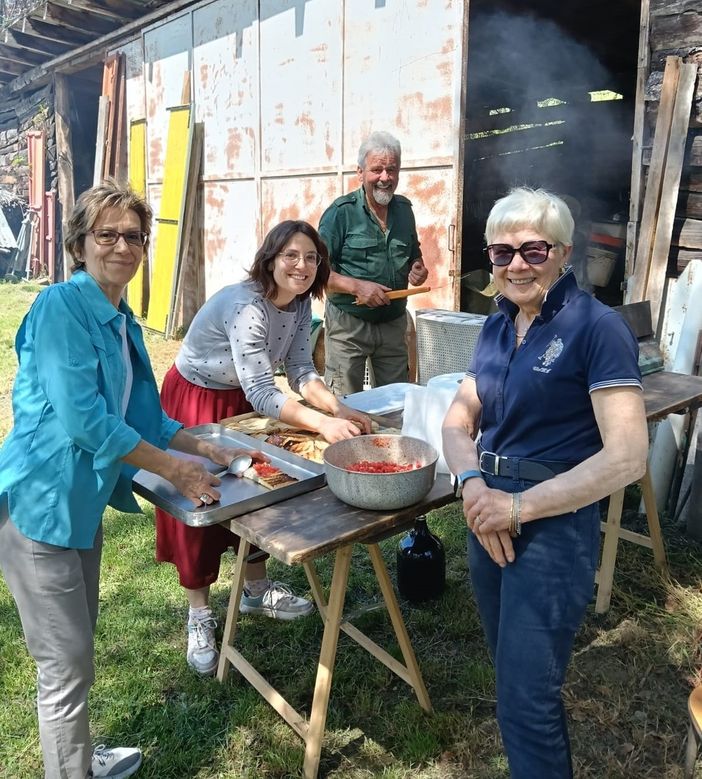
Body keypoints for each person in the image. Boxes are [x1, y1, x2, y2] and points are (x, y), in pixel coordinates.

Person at [0, 182, 255, 779]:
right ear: (78, 244)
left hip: (79, 507)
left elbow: (145, 418)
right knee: (64, 668)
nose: (122, 246)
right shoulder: (60, 307)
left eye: (134, 237)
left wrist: (210, 446)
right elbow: (85, 419)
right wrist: (175, 469)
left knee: (77, 648)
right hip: (39, 507)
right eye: (106, 234)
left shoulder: (119, 319)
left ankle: (76, 756)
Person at [441, 187, 648, 778]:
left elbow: (628, 456)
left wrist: (518, 508)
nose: (516, 265)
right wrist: (473, 487)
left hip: (552, 526)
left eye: (533, 250)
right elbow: (458, 421)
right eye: (501, 253)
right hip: (487, 514)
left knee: (528, 700)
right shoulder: (496, 326)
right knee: (510, 674)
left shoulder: (596, 327)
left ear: (563, 253)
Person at [155, 219, 371, 676]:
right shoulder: (246, 306)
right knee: (203, 497)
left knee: (258, 490)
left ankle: (255, 590)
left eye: (311, 257)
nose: (302, 265)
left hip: (244, 398)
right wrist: (321, 424)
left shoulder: (299, 304)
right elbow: (261, 391)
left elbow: (300, 371)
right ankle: (199, 613)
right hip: (197, 397)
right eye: (291, 255)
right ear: (270, 259)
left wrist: (339, 408)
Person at [318, 130, 428, 396]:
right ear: (360, 172)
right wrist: (357, 287)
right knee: (346, 403)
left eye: (392, 170)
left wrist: (417, 268)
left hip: (393, 323)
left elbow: (414, 254)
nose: (385, 178)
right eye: (377, 170)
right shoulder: (340, 214)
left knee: (395, 404)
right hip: (348, 325)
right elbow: (316, 272)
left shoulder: (405, 211)